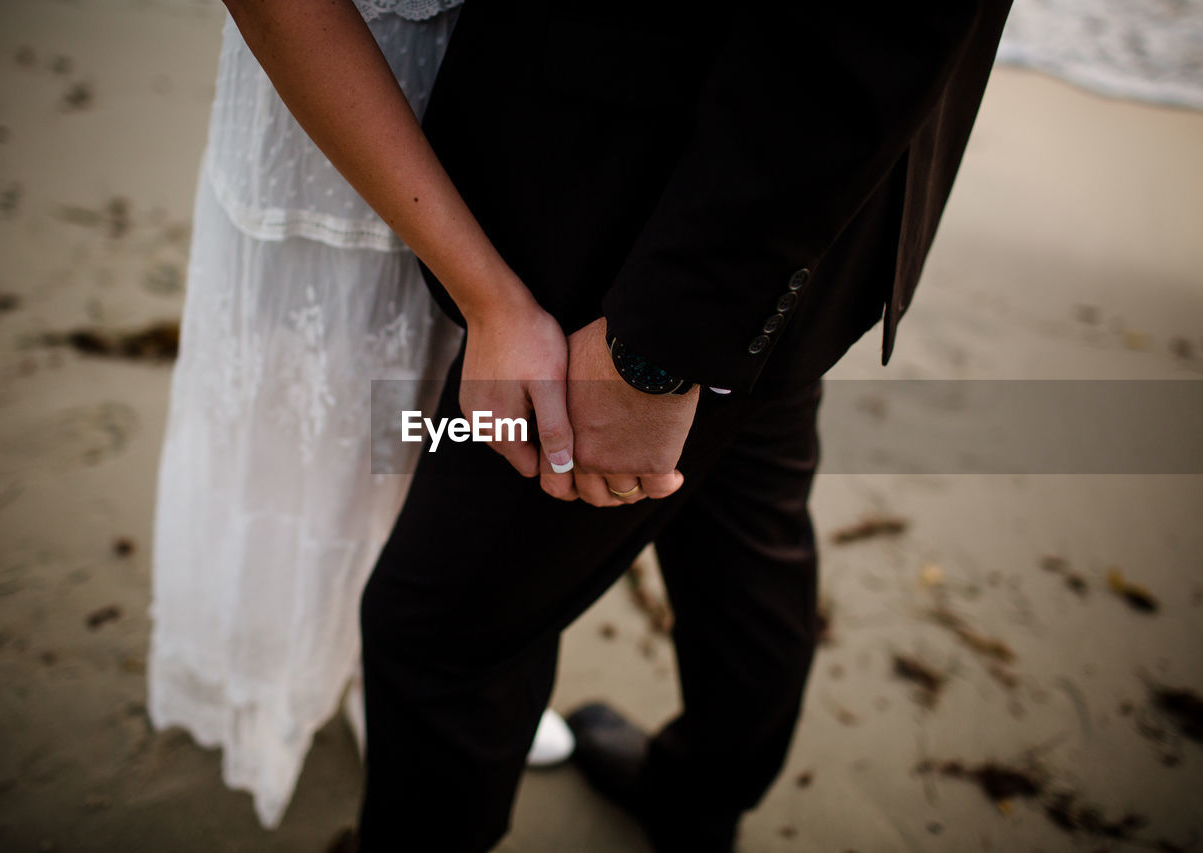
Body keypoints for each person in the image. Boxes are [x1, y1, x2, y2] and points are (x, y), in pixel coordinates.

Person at [224, 0, 1015, 851]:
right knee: (744, 522)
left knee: (441, 636)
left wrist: (659, 349)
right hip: (810, 211)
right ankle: (701, 795)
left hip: (637, 241)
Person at [146, 0, 572, 831]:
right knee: (316, 418)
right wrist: (489, 297)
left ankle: (398, 684)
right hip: (333, 130)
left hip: (509, 144)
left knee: (432, 423)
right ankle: (308, 673)